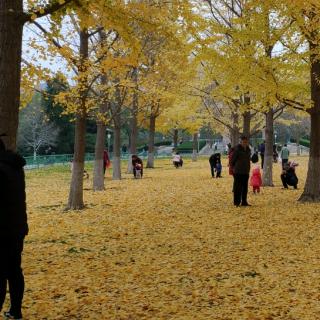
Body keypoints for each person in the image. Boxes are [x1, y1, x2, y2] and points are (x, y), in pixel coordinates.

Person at [0, 138, 28, 320]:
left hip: (1, 231)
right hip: (17, 227)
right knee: (14, 271)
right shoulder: (16, 167)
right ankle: (16, 310)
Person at [231, 136, 251, 206]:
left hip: (246, 171)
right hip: (238, 172)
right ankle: (236, 202)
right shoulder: (237, 149)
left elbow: (249, 159)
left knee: (245, 188)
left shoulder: (248, 149)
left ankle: (244, 202)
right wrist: (234, 168)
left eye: (246, 142)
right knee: (237, 188)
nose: (245, 143)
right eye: (243, 142)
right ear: (241, 142)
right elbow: (232, 160)